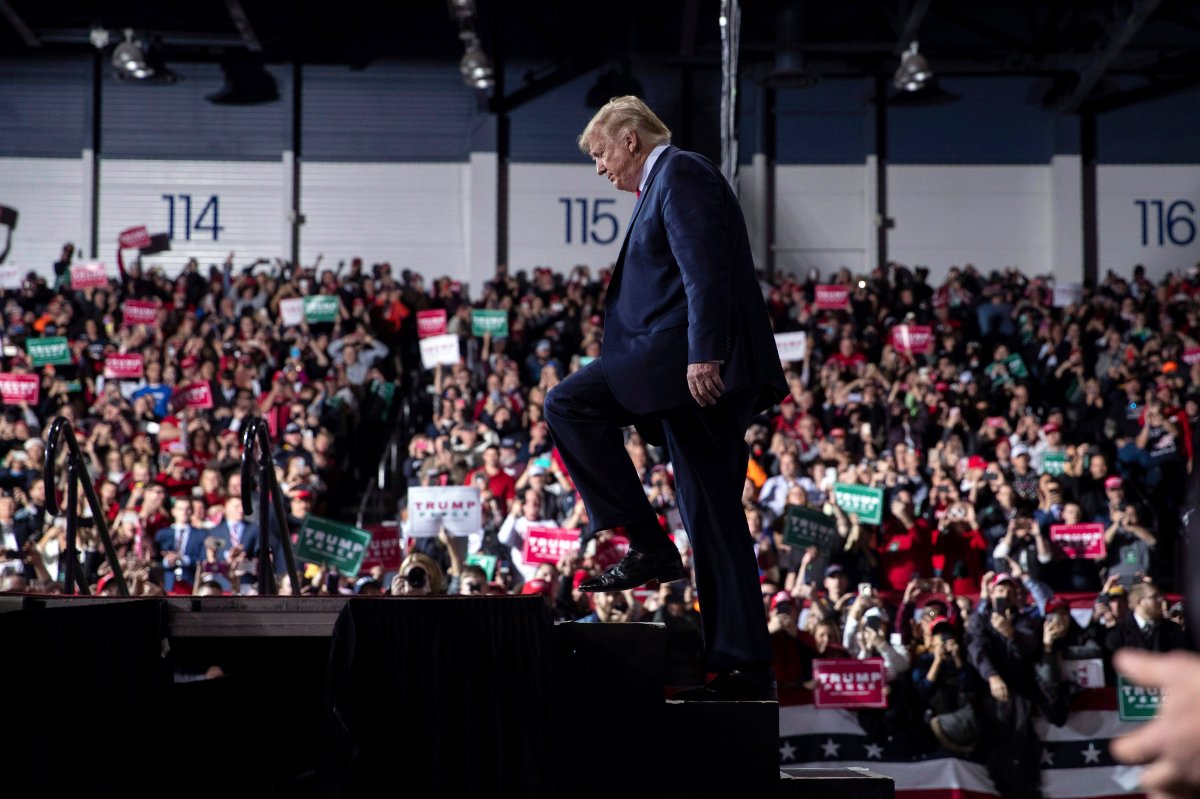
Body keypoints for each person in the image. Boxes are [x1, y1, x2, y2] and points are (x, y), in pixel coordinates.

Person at [544, 96, 786, 701]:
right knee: (712, 515)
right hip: (673, 371)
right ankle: (740, 663)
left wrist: (705, 352)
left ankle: (651, 547)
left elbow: (705, 270)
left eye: (600, 154)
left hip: (687, 369)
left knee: (570, 404)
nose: (600, 169)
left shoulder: (680, 172)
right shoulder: (668, 181)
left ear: (629, 138)